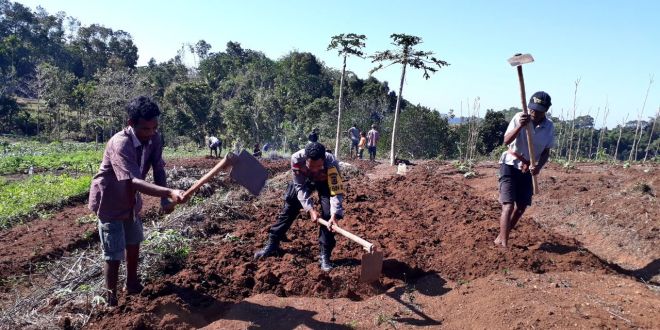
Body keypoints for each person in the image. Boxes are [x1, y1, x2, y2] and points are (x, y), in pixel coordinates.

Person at [88, 96, 187, 306]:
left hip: (131, 200)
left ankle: (132, 283)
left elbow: (158, 167)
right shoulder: (120, 143)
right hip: (111, 200)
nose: (150, 133)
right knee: (113, 251)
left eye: (154, 128)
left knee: (133, 241)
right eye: (145, 129)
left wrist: (163, 201)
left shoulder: (154, 138)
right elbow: (132, 181)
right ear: (131, 123)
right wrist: (169, 192)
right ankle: (111, 300)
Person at [253, 142, 344, 272]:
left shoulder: (331, 162)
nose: (315, 170)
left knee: (328, 214)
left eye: (318, 166)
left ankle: (325, 255)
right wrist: (310, 209)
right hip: (304, 180)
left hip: (325, 182)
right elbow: (300, 187)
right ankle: (273, 243)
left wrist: (335, 215)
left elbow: (336, 191)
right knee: (291, 202)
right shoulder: (296, 159)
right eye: (311, 166)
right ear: (305, 159)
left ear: (323, 159)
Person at [495, 91, 555, 248]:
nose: (534, 113)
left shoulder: (549, 127)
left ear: (546, 110)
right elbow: (506, 140)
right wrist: (521, 126)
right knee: (508, 205)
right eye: (533, 109)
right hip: (510, 164)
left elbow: (546, 152)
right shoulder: (519, 117)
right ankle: (504, 245)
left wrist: (538, 168)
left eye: (539, 110)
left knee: (521, 207)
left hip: (528, 169)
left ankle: (502, 236)